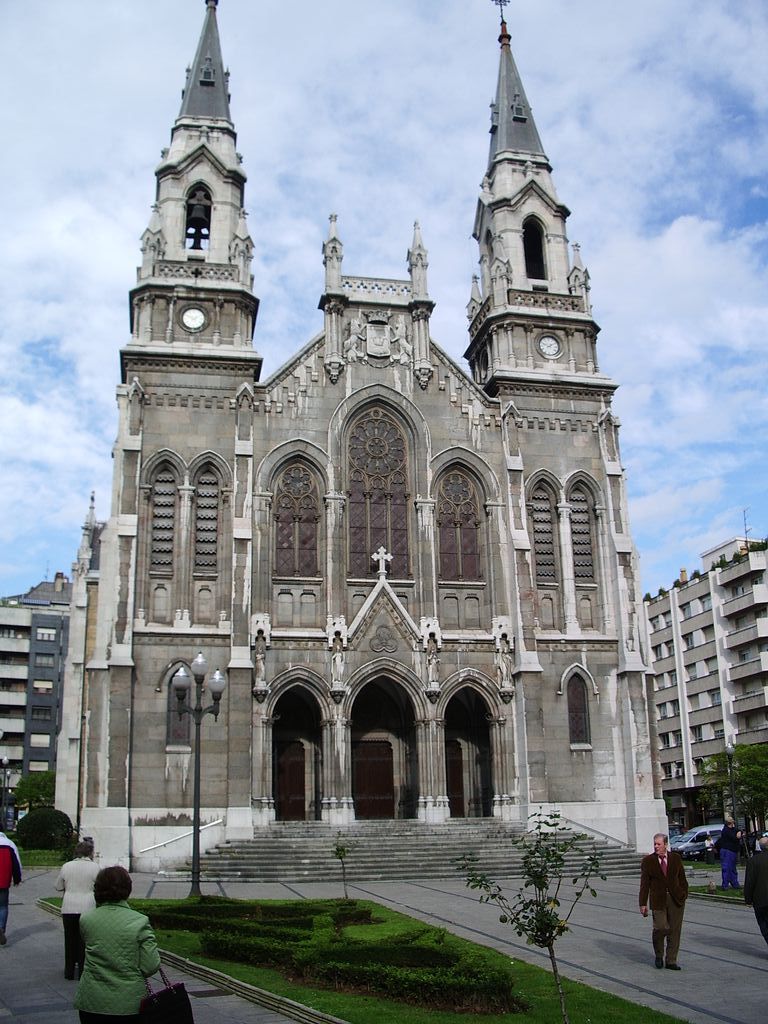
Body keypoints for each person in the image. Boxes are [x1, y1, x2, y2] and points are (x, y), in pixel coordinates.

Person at [74, 865, 160, 1023]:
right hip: (128, 1002)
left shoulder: (86, 919)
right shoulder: (140, 921)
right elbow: (150, 965)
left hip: (92, 1000)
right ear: (128, 888)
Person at [639, 833, 689, 970]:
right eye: (654, 844)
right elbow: (644, 884)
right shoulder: (648, 861)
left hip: (675, 899)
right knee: (660, 927)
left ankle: (671, 960)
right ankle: (659, 955)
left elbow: (682, 878)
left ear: (665, 845)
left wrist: (684, 894)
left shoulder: (675, 858)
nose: (656, 847)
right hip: (658, 900)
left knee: (674, 930)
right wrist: (642, 903)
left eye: (658, 844)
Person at [56, 840, 100, 979]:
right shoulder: (95, 867)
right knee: (84, 940)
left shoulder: (67, 866)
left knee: (69, 939)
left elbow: (58, 886)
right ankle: (82, 970)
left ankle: (69, 971)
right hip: (87, 906)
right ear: (90, 852)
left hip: (69, 906)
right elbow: (99, 886)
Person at [744, 835, 768, 948]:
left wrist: (748, 899)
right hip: (761, 899)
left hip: (760, 899)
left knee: (763, 924)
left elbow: (749, 881)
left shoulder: (753, 861)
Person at [0, 829, 22, 946]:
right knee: (3, 906)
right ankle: (1, 929)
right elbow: (16, 863)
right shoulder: (9, 844)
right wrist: (17, 879)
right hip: (3, 881)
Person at [715, 818, 743, 890]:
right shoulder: (726, 830)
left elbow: (737, 830)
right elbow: (734, 837)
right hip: (727, 850)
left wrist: (740, 831)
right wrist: (738, 835)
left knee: (733, 868)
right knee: (727, 868)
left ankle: (734, 883)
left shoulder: (732, 829)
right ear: (731, 823)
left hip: (732, 851)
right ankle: (725, 885)